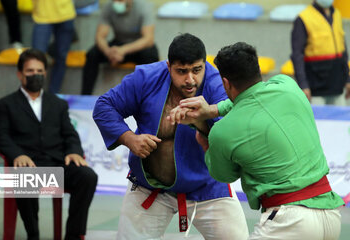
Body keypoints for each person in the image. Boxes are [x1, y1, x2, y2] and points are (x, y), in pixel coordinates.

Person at [169, 42, 345, 240]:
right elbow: (252, 96)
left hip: (289, 221)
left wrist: (206, 144)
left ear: (226, 83)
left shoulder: (222, 131)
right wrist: (213, 110)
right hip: (330, 215)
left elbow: (224, 175)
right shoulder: (287, 85)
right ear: (258, 69)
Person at [93, 33, 248, 239]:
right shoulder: (146, 78)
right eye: (181, 71)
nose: (190, 79)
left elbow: (232, 135)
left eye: (196, 70)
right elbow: (105, 106)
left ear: (205, 64)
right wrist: (129, 138)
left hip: (208, 188)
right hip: (150, 187)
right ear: (168, 66)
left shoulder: (217, 84)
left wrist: (201, 119)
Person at [0, 48, 98, 240]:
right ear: (19, 74)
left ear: (45, 73)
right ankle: (33, 235)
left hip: (56, 167)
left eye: (40, 71)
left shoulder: (58, 104)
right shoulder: (5, 105)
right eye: (30, 71)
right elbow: (1, 137)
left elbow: (70, 134)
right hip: (26, 167)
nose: (36, 75)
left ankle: (73, 236)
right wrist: (17, 154)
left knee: (88, 176)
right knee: (23, 176)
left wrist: (74, 151)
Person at [81, 0, 159, 95]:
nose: (117, 2)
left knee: (150, 56)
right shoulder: (109, 7)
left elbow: (148, 39)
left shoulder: (144, 7)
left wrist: (123, 50)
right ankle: (85, 95)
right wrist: (108, 52)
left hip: (137, 46)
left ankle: (149, 96)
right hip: (117, 45)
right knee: (92, 54)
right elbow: (99, 36)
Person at [291, 0, 350, 105]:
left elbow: (343, 50)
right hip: (315, 86)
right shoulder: (303, 18)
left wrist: (347, 79)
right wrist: (303, 85)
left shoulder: (336, 14)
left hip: (337, 84)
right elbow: (297, 55)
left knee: (339, 119)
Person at [31, 0, 76, 93]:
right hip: (42, 14)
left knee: (61, 57)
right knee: (36, 58)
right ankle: (34, 94)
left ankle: (53, 94)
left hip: (66, 13)